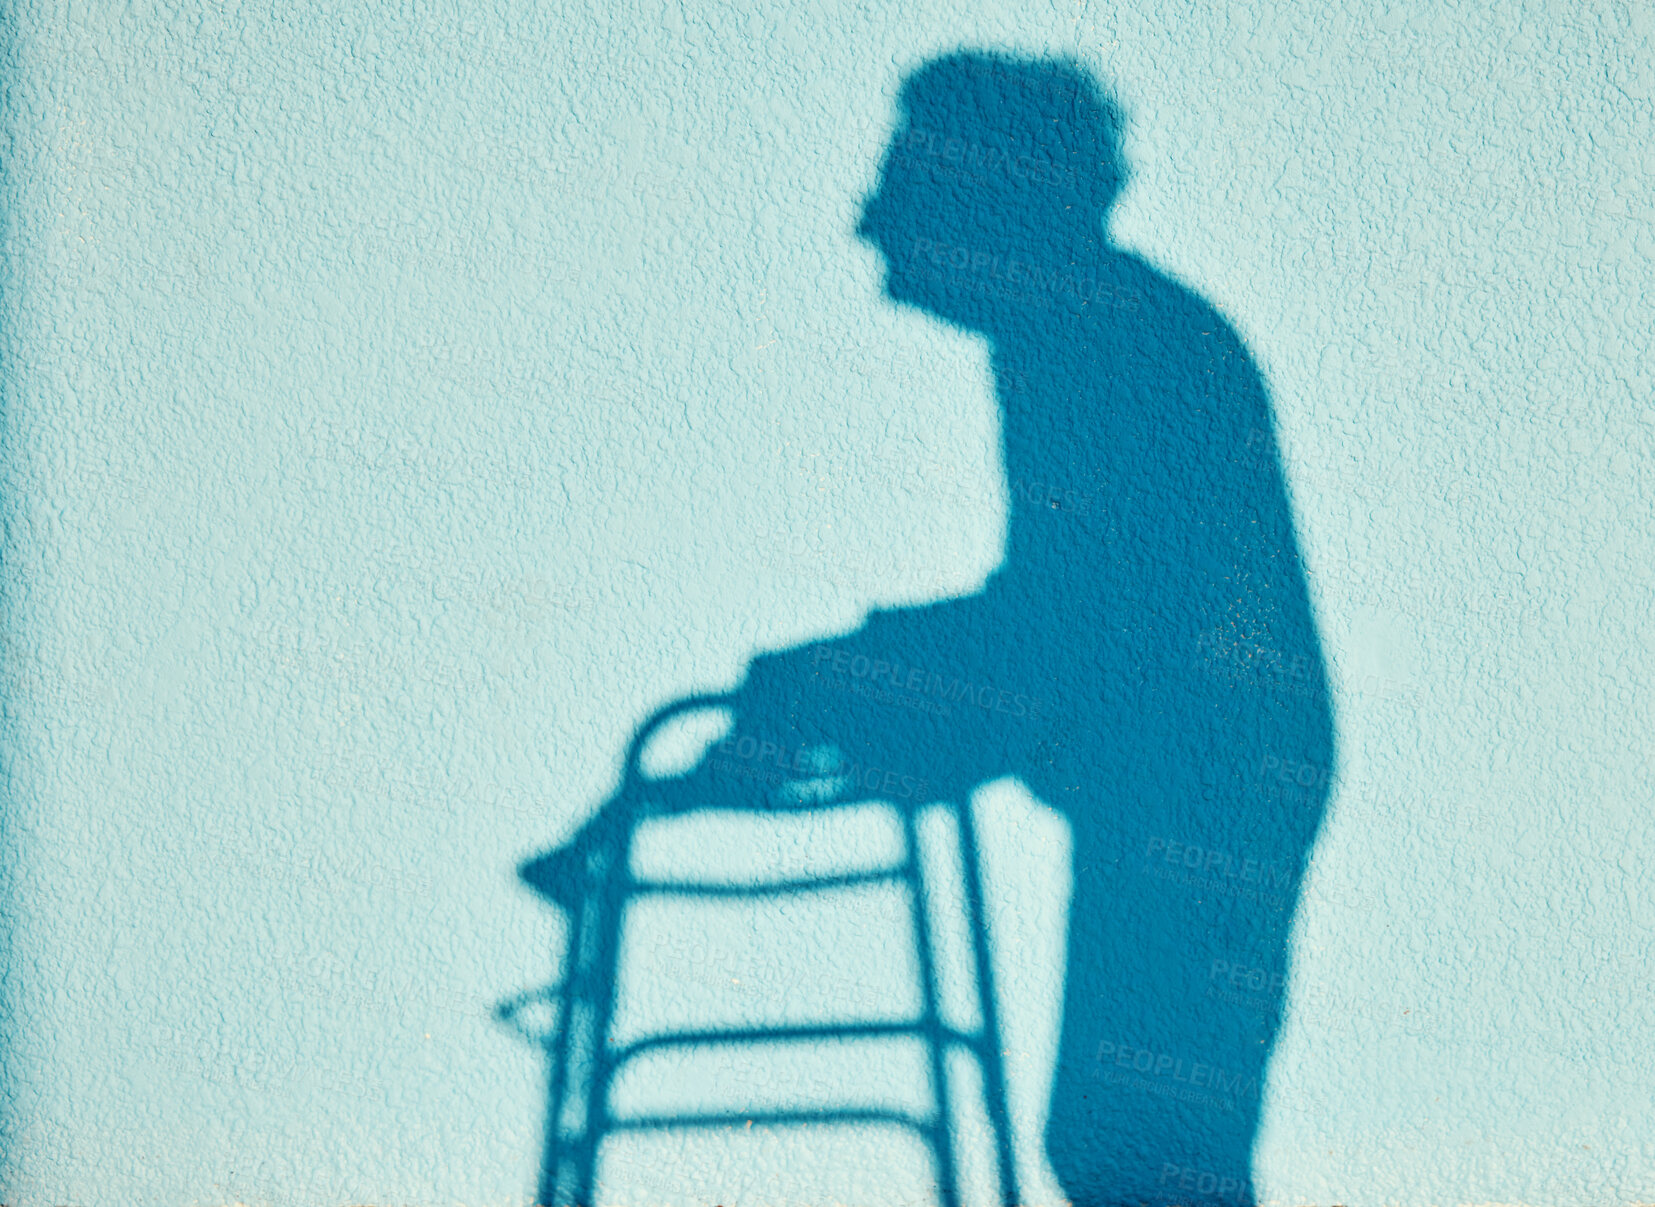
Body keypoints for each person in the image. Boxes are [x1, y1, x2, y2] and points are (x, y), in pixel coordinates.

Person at [535, 51, 1334, 1207]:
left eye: (903, 180)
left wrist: (828, 691)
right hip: (1191, 774)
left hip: (1198, 781)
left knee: (1139, 1150)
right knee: (1129, 1145)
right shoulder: (1089, 338)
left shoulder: (1113, 344)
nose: (869, 220)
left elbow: (1076, 637)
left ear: (989, 189)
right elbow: (1070, 633)